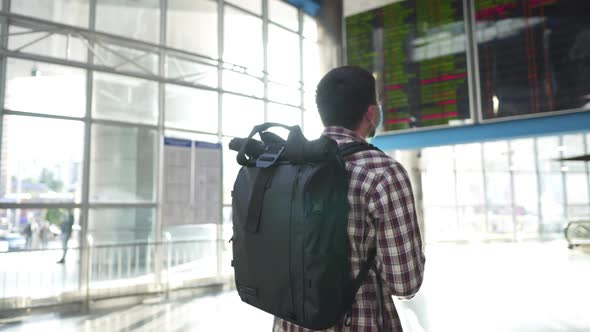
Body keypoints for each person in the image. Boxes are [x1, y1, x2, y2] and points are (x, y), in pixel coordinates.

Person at [273, 66, 426, 331]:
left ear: (324, 112)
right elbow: (405, 282)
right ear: (372, 113)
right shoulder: (383, 172)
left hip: (290, 322)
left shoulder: (289, 166)